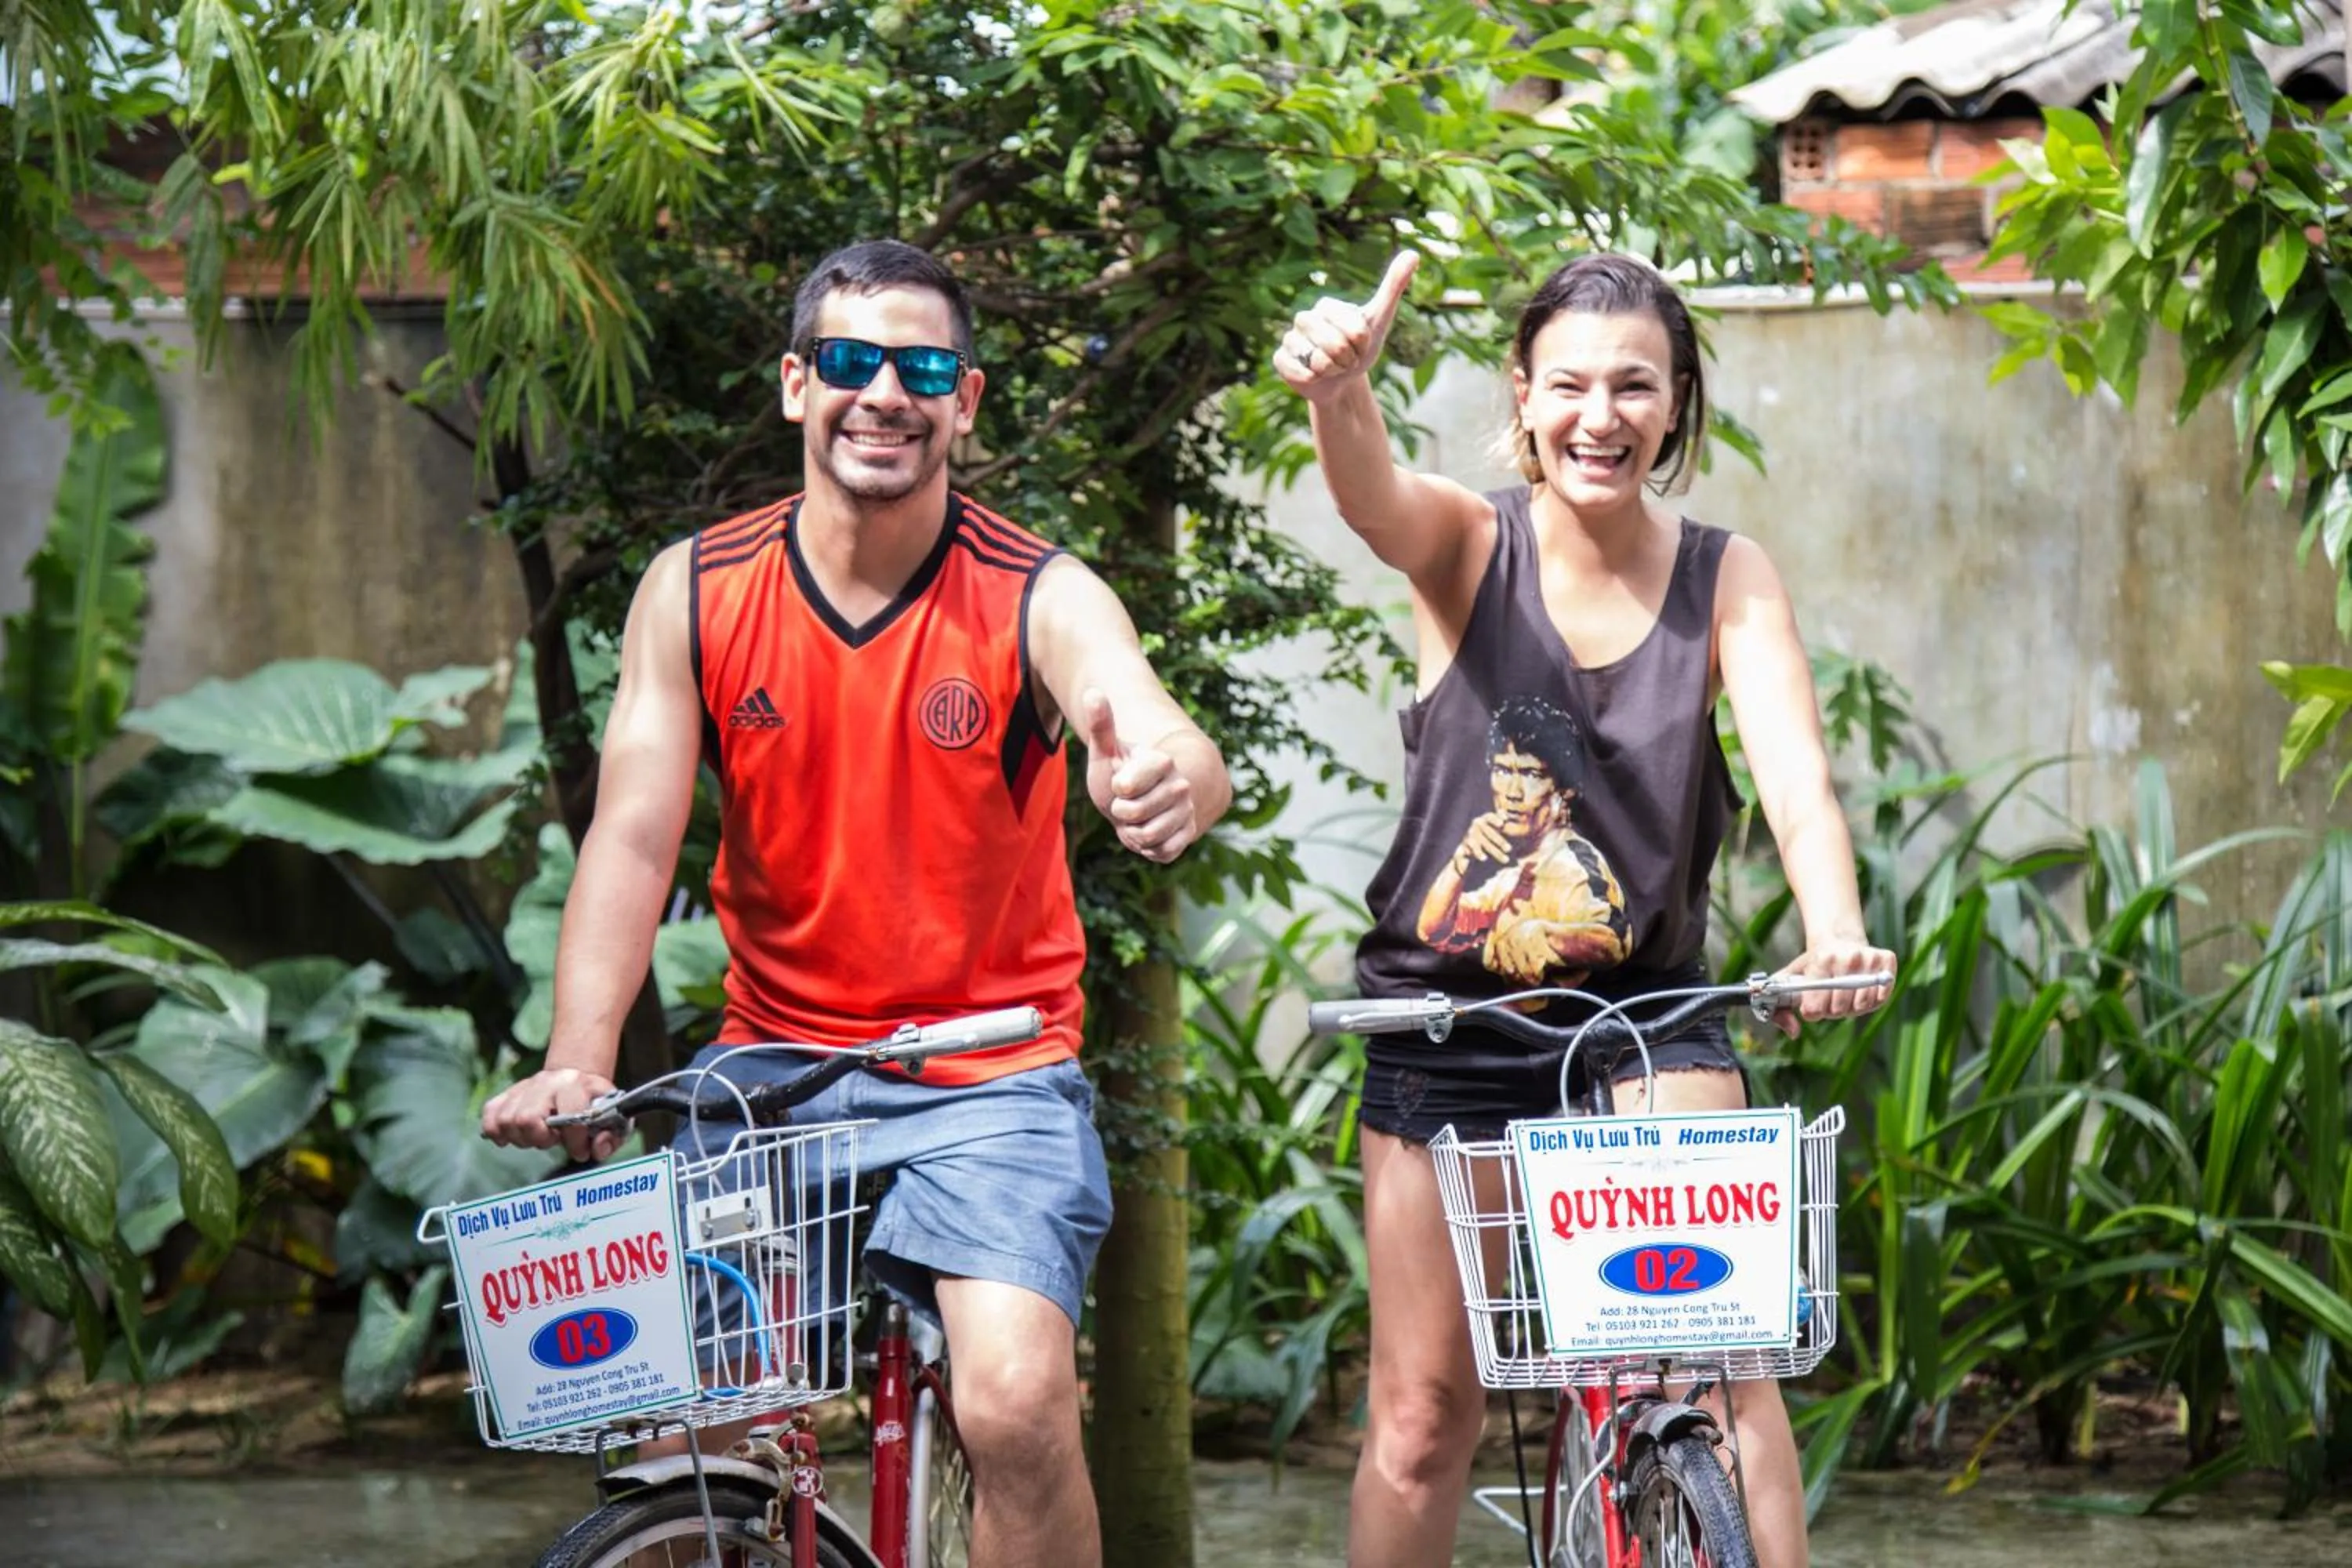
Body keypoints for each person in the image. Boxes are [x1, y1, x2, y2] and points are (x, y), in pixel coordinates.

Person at [483, 238, 1231, 1568]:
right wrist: (578, 1064)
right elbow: (631, 838)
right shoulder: (699, 590)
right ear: (794, 385)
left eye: (922, 366)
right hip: (771, 1076)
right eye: (849, 360)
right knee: (681, 1441)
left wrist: (1171, 780)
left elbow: (1158, 727)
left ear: (966, 401)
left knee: (1014, 1407)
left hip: (991, 1079)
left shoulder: (1034, 593)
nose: (884, 390)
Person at [1276, 249, 1895, 1568]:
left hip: (1650, 1020)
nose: (1599, 414)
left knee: (1725, 1376)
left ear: (1677, 405)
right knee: (1423, 1417)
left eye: (1635, 385)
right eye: (1570, 384)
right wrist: (1342, 395)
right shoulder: (1470, 542)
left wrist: (1829, 924)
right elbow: (1377, 501)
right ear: (1524, 393)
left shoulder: (1731, 576)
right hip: (1444, 1022)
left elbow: (1795, 781)